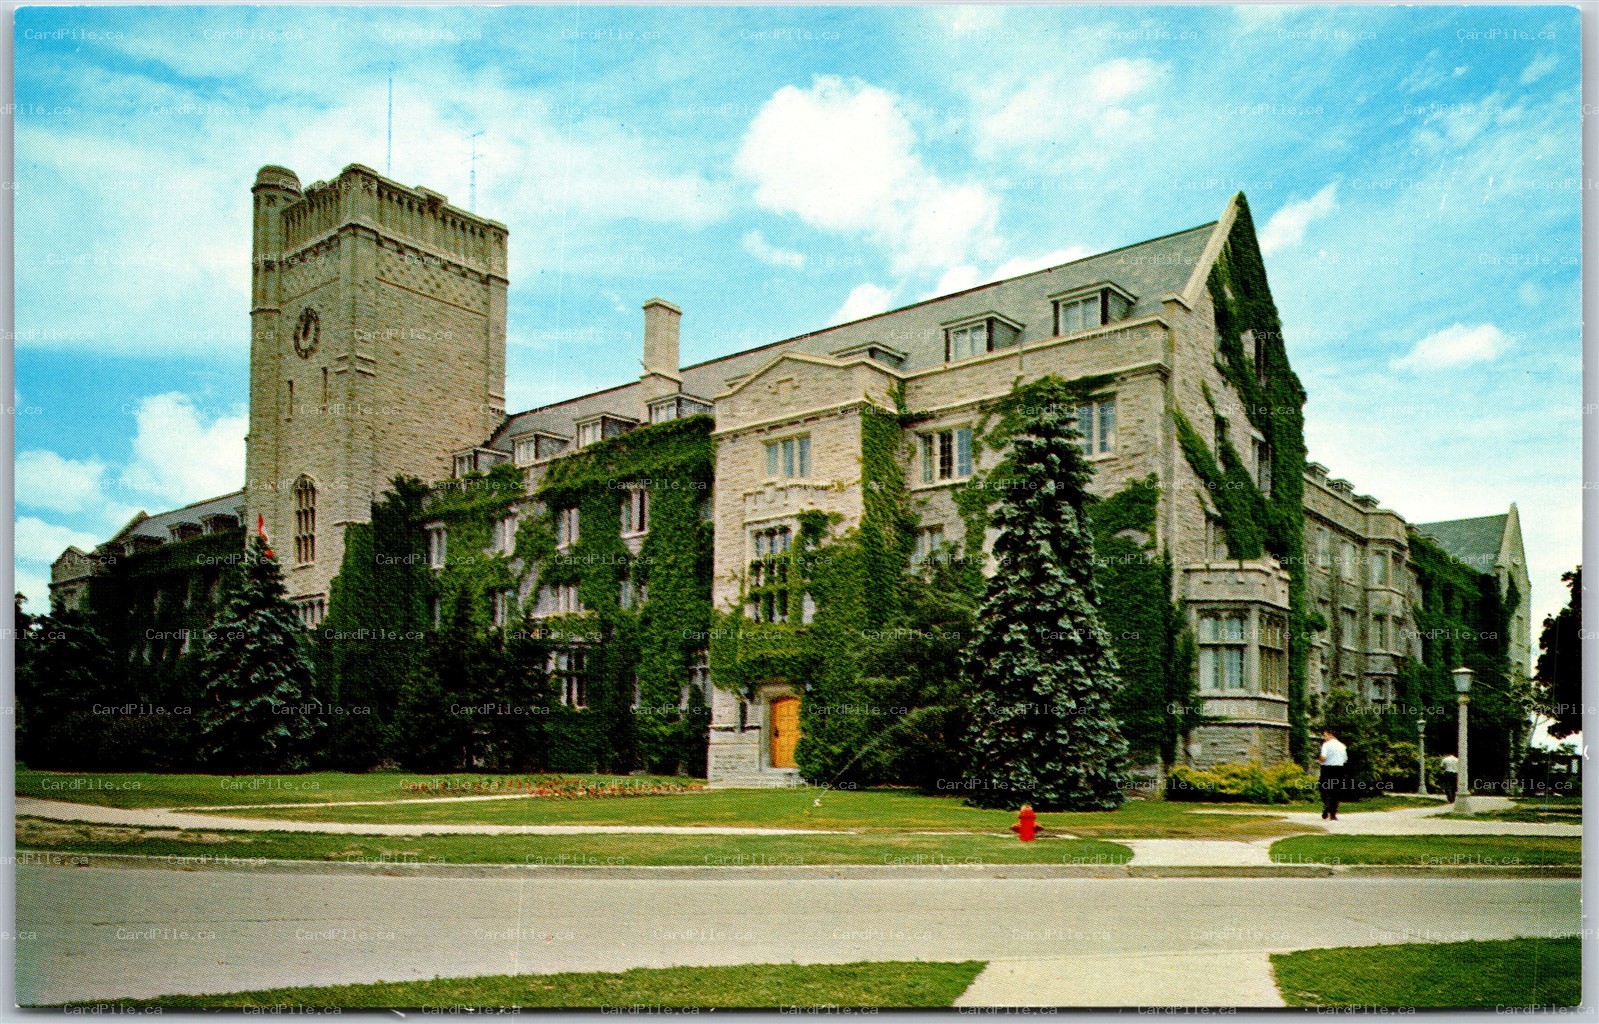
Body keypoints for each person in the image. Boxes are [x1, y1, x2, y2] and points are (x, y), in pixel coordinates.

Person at [1318, 728, 1348, 820]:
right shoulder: (1342, 746)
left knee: (1324, 788)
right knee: (1335, 791)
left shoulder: (1326, 745)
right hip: (1339, 769)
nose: (1324, 737)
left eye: (1325, 735)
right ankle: (1333, 814)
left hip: (1327, 769)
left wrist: (1319, 760)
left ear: (1331, 735)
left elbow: (1323, 757)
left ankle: (1327, 805)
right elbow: (1345, 759)